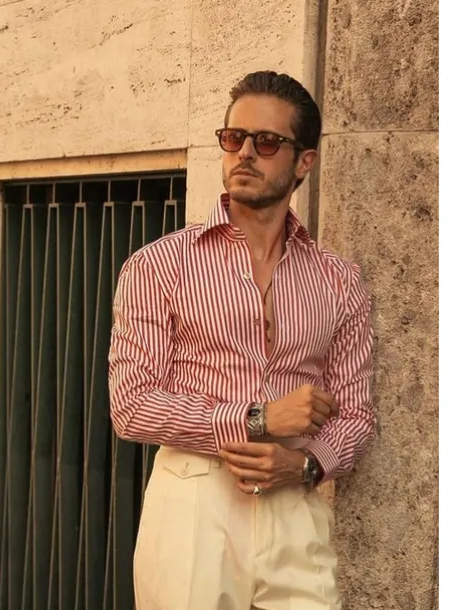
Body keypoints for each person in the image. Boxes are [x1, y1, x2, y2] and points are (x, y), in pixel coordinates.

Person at [108, 70, 375, 610]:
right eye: (234, 138)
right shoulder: (160, 265)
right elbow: (131, 407)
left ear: (304, 162)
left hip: (294, 501)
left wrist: (307, 465)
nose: (245, 154)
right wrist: (258, 419)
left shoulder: (339, 280)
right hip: (194, 498)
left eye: (267, 141)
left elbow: (357, 414)